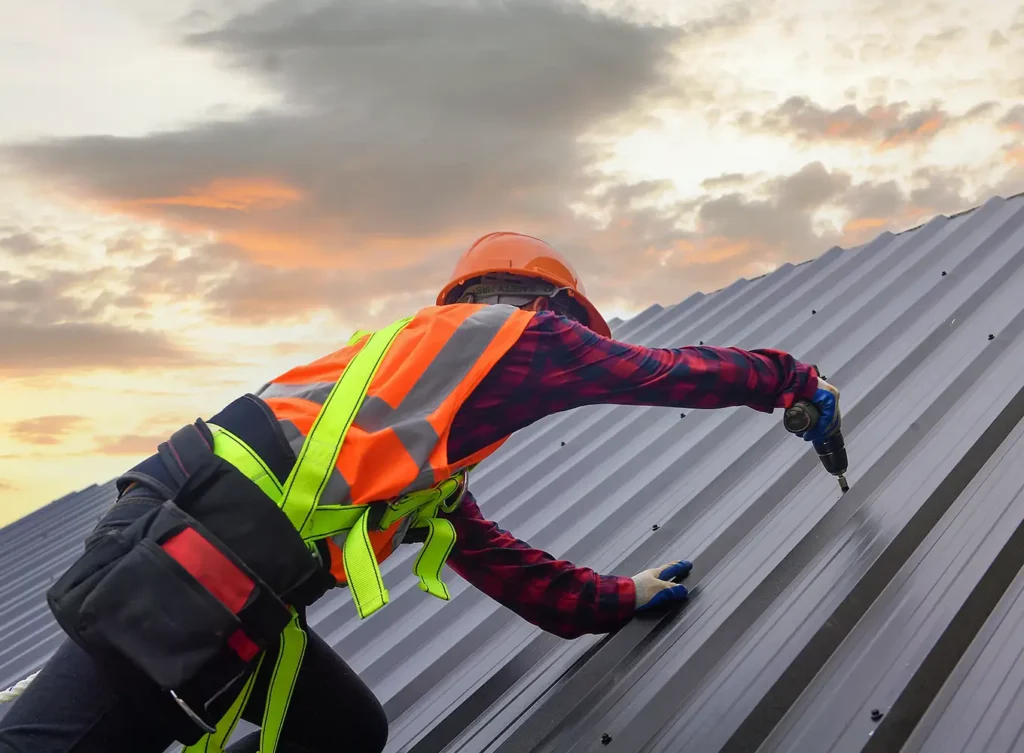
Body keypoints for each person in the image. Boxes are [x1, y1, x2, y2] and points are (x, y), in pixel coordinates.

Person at [0, 231, 840, 753]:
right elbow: (659, 373)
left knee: (346, 731)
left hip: (224, 585)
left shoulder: (411, 427)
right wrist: (792, 381)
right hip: (186, 566)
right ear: (542, 305)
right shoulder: (514, 337)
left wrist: (619, 599)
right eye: (575, 330)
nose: (574, 354)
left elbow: (498, 562)